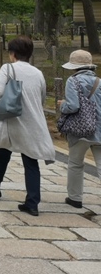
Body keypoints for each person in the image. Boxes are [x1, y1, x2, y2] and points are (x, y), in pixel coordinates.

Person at [0, 36, 55, 217]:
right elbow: (42, 97)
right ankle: (32, 202)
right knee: (30, 160)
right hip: (32, 119)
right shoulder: (38, 73)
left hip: (12, 117)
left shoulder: (8, 68)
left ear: (12, 53)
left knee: (3, 149)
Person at [57, 50, 100, 209]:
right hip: (99, 129)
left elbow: (74, 106)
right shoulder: (99, 81)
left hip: (80, 129)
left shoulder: (72, 81)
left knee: (75, 163)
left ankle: (75, 198)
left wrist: (63, 105)